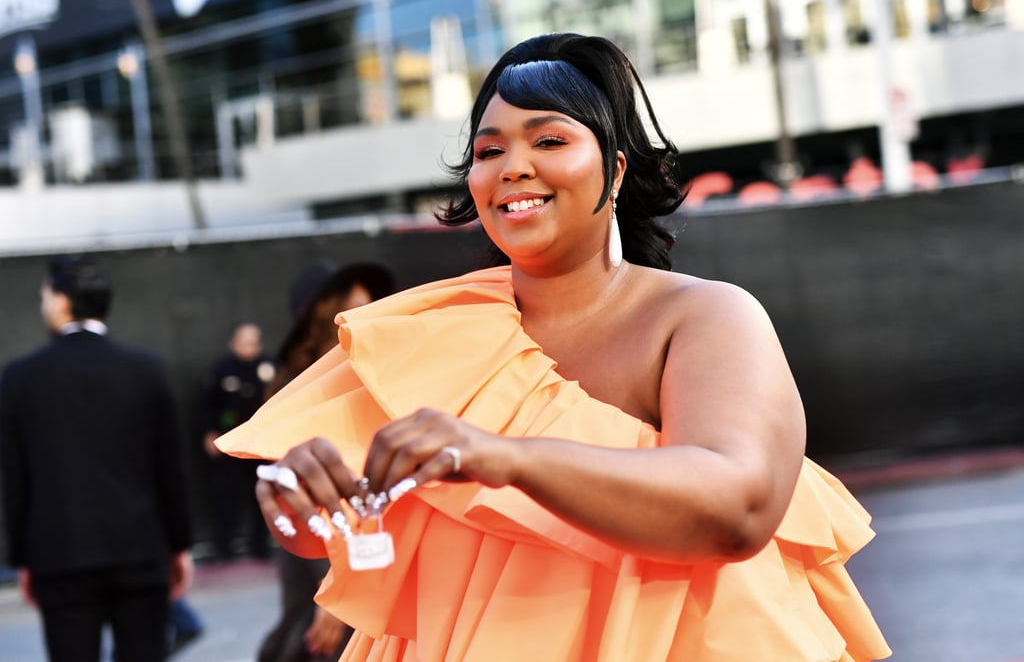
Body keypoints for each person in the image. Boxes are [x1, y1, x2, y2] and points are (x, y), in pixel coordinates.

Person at [218, 33, 891, 661]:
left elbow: (738, 506)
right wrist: (304, 509)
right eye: (488, 151)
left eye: (548, 138)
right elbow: (354, 542)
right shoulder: (425, 332)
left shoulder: (705, 317)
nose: (514, 167)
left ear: (617, 168)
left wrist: (506, 457)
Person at [0, 255, 194, 662]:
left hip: (59, 555)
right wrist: (179, 545)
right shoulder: (147, 370)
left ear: (60, 301)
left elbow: (16, 479)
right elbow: (170, 470)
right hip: (141, 551)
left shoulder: (20, 378)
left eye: (45, 295)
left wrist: (22, 556)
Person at [257, 260, 395, 662]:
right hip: (322, 561)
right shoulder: (291, 395)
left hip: (378, 564)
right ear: (319, 322)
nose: (361, 323)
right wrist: (337, 594)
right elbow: (302, 505)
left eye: (369, 310)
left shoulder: (380, 380)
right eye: (348, 313)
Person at [200, 321, 276, 561]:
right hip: (230, 442)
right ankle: (224, 547)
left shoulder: (269, 367)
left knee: (263, 494)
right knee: (226, 495)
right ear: (234, 343)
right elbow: (208, 405)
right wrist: (209, 432)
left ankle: (261, 546)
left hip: (260, 443)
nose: (250, 347)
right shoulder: (222, 370)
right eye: (245, 342)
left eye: (254, 342)